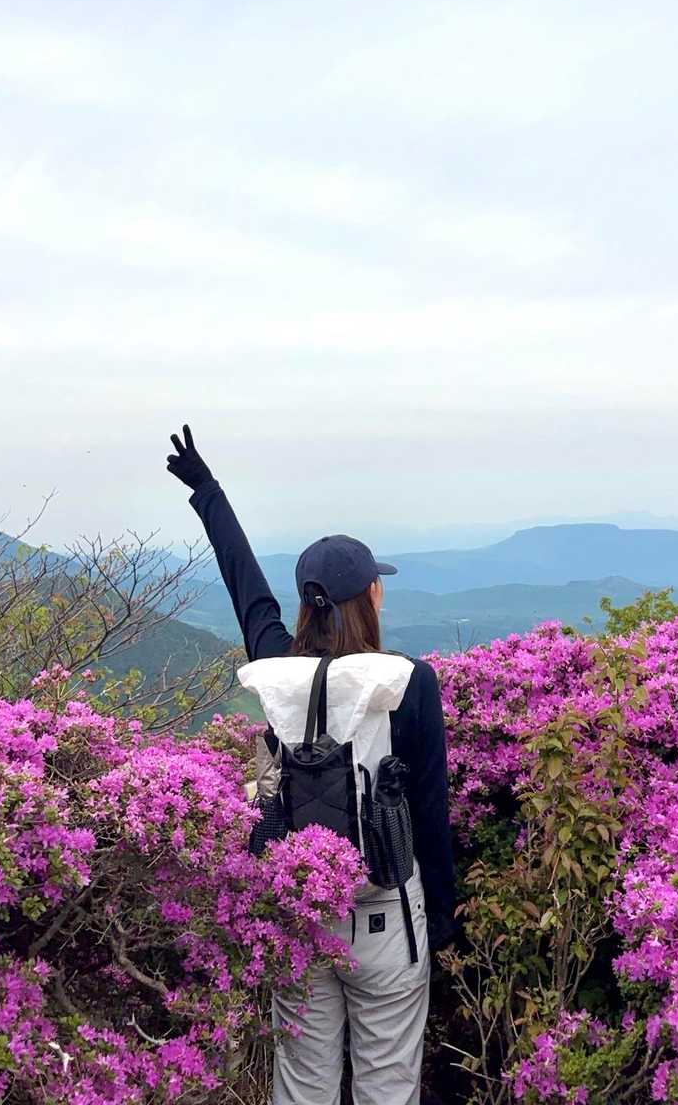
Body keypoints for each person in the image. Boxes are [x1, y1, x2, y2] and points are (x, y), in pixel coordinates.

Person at [165, 425, 456, 1105]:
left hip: (300, 913)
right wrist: (441, 916)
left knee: (301, 1088)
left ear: (307, 603)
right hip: (388, 918)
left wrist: (208, 493)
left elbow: (248, 592)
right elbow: (431, 810)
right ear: (372, 597)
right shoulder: (409, 681)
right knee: (388, 1086)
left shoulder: (277, 670)